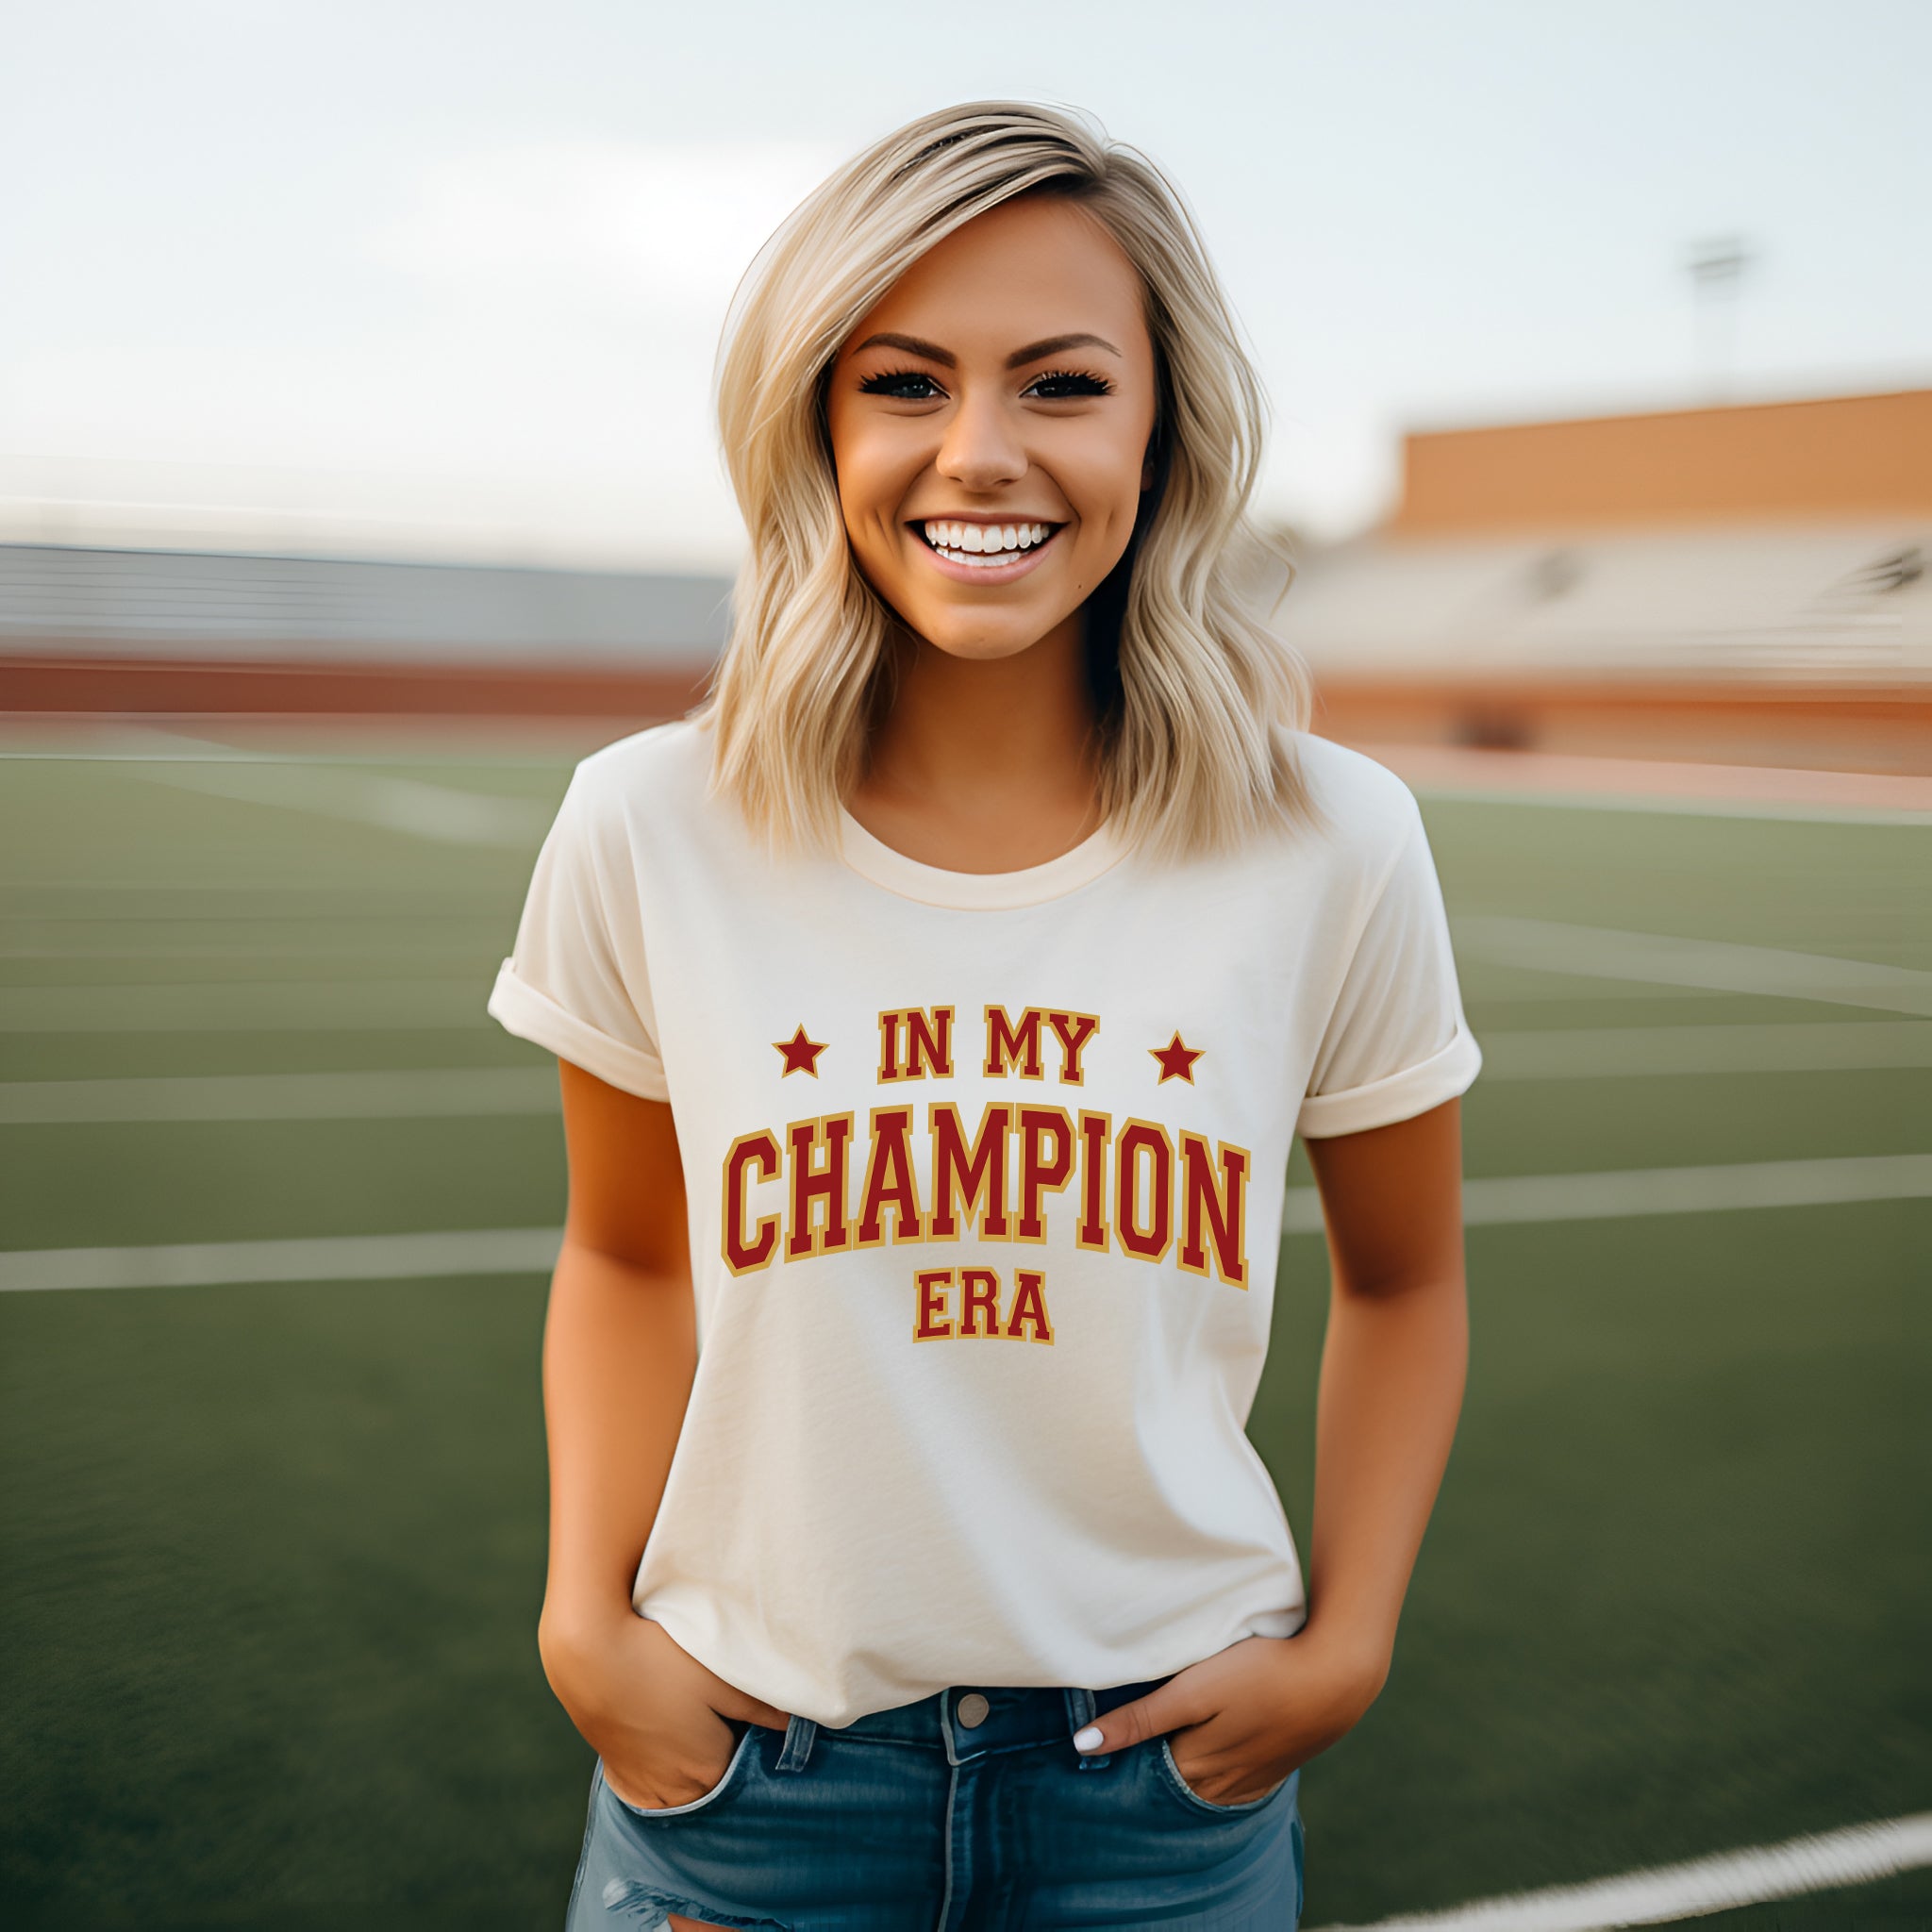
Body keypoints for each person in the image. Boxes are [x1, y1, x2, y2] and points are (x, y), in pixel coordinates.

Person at [488, 99, 1480, 1932]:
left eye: (1059, 384)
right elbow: (627, 1257)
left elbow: (1406, 1282)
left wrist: (1347, 1644)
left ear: (1162, 422)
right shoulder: (648, 820)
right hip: (752, 1789)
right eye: (905, 383)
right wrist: (582, 1618)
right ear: (815, 419)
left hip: (1155, 1805)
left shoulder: (1334, 838)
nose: (982, 453)